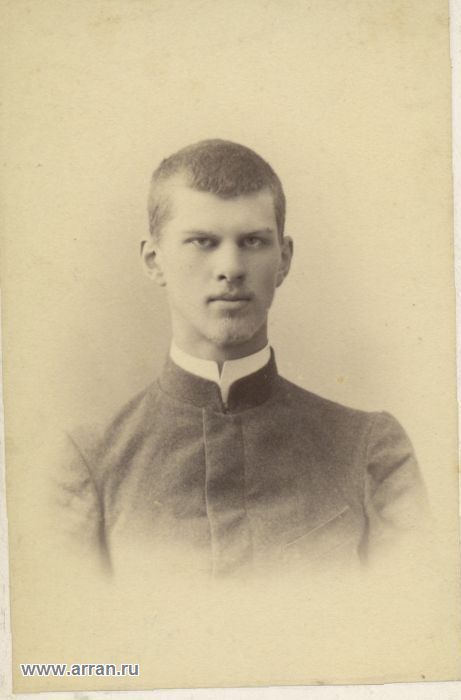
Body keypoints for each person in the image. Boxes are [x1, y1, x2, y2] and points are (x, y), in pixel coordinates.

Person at [52, 139, 428, 580]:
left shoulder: (370, 453)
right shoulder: (91, 465)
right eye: (202, 242)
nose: (230, 267)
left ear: (283, 259)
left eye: (252, 241)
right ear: (154, 261)